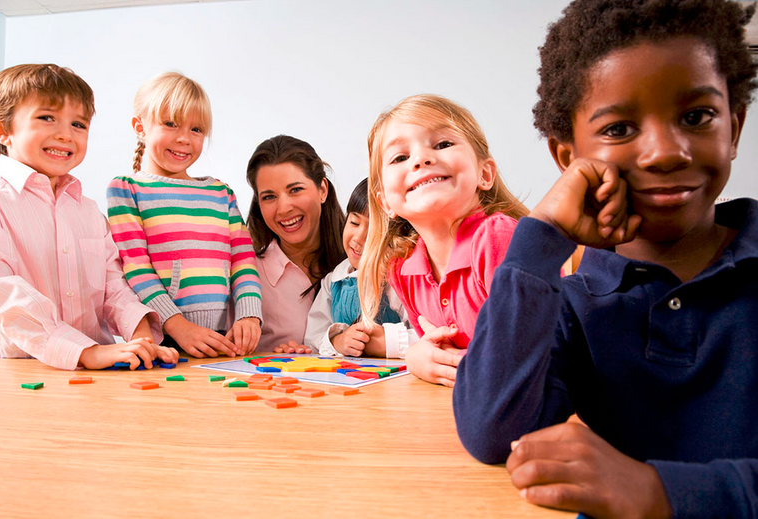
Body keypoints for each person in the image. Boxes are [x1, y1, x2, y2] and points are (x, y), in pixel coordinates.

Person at [453, 0, 758, 517]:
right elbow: (492, 431)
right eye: (619, 128)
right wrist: (542, 236)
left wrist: (656, 492)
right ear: (568, 158)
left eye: (696, 116)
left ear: (734, 125)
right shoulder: (575, 304)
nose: (665, 151)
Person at [0, 63, 178, 370]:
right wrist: (84, 352)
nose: (65, 135)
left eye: (78, 124)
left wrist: (142, 337)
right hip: (14, 376)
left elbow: (113, 286)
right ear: (2, 130)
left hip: (94, 376)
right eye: (47, 118)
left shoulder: (88, 211)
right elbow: (4, 295)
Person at [359, 94, 528, 386]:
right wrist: (417, 357)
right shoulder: (402, 268)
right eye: (400, 157)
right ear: (385, 201)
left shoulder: (498, 238)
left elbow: (525, 358)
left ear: (484, 173)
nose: (422, 159)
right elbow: (440, 355)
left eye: (443, 144)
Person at [107, 72, 262, 358]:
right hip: (165, 342)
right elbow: (135, 268)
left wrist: (249, 315)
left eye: (196, 130)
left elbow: (242, 260)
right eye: (170, 124)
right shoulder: (126, 190)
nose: (184, 139)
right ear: (139, 127)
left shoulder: (221, 193)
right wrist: (177, 326)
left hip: (219, 341)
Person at [246, 135, 346, 352]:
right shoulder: (248, 274)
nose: (284, 208)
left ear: (322, 190)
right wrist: (276, 359)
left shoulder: (360, 260)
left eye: (295, 190)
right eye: (269, 197)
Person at [304, 178, 418, 357]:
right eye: (354, 223)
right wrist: (337, 342)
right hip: (348, 378)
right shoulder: (334, 280)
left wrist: (386, 342)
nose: (358, 238)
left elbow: (425, 336)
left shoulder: (399, 279)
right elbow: (313, 338)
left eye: (374, 231)